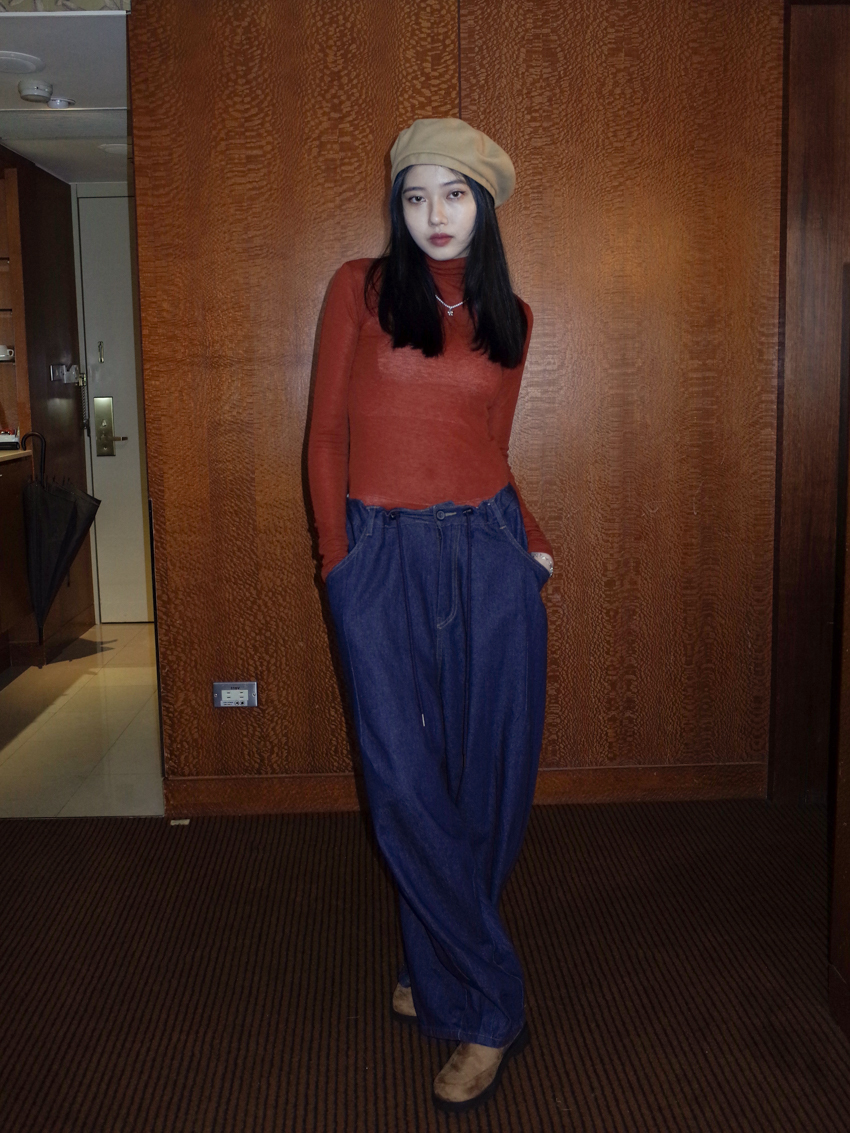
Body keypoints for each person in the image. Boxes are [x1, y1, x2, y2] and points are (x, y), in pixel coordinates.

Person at [307, 117, 553, 1114]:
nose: (433, 214)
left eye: (454, 194)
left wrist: (531, 539)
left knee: (487, 778)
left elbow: (493, 444)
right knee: (404, 787)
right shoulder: (359, 290)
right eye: (415, 196)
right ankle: (491, 1003)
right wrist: (339, 564)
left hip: (490, 552)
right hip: (381, 553)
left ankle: (434, 963)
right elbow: (325, 436)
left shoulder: (512, 316)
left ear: (485, 205)